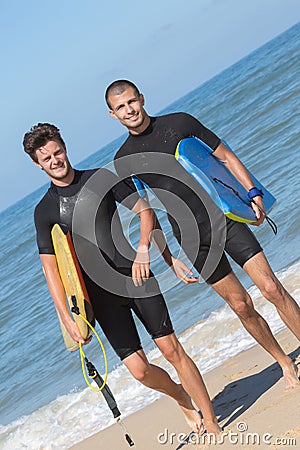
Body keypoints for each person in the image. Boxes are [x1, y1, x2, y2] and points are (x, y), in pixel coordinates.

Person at [23, 122, 222, 435]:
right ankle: (181, 395)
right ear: (37, 164)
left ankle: (210, 421)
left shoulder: (100, 178)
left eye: (57, 152)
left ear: (65, 148)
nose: (55, 160)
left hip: (135, 276)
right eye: (46, 158)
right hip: (100, 298)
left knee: (172, 351)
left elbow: (146, 212)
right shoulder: (45, 211)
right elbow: (51, 270)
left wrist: (144, 250)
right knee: (140, 371)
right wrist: (69, 320)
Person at [105, 79, 300, 390]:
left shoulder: (179, 122)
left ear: (141, 98)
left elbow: (225, 156)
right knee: (240, 305)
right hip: (192, 238)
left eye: (132, 102)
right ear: (113, 115)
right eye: (121, 107)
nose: (129, 110)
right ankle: (282, 360)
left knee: (270, 288)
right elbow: (147, 212)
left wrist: (253, 193)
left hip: (225, 218)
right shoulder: (122, 161)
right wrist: (170, 259)